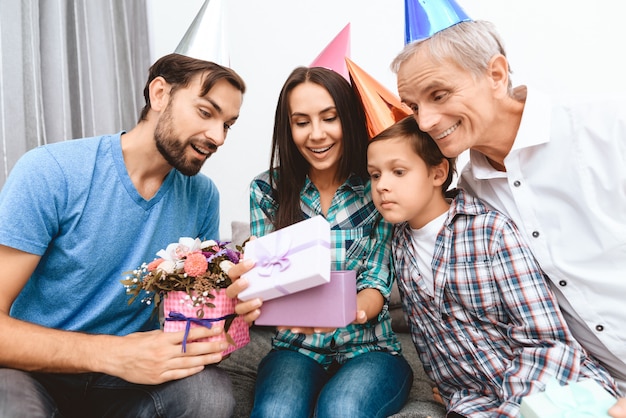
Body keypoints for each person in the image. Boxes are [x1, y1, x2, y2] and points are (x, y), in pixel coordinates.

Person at [391, 18, 626, 414]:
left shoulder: (607, 128)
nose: (426, 121)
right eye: (415, 106)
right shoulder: (469, 196)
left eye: (439, 94)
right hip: (588, 388)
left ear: (496, 74)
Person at [0, 53, 246, 417]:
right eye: (206, 113)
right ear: (159, 93)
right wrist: (114, 354)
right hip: (35, 371)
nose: (218, 137)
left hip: (127, 384)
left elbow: (193, 316)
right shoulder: (51, 172)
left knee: (210, 396)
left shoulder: (202, 196)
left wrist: (238, 309)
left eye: (228, 124)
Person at [366, 114, 620, 416]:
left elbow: (547, 341)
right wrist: (451, 392)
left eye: (398, 171)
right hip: (472, 400)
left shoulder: (491, 232)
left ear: (437, 173)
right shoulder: (397, 243)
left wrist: (512, 409)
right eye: (375, 175)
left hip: (550, 389)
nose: (382, 185)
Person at [244, 66, 413, 418]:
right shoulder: (266, 191)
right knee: (275, 412)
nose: (317, 134)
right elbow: (266, 286)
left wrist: (347, 310)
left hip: (371, 351)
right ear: (288, 128)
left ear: (347, 119)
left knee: (341, 408)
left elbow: (376, 283)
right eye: (302, 122)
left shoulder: (376, 188)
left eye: (329, 118)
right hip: (295, 349)